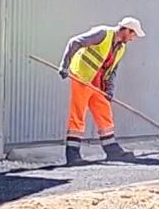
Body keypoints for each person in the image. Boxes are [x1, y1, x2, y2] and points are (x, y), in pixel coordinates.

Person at [59, 17, 145, 165]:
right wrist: (64, 66)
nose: (132, 38)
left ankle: (111, 149)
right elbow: (74, 42)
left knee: (104, 113)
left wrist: (109, 89)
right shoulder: (103, 34)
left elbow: (112, 70)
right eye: (132, 34)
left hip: (97, 84)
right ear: (125, 29)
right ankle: (72, 154)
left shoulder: (121, 48)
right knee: (78, 114)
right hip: (82, 77)